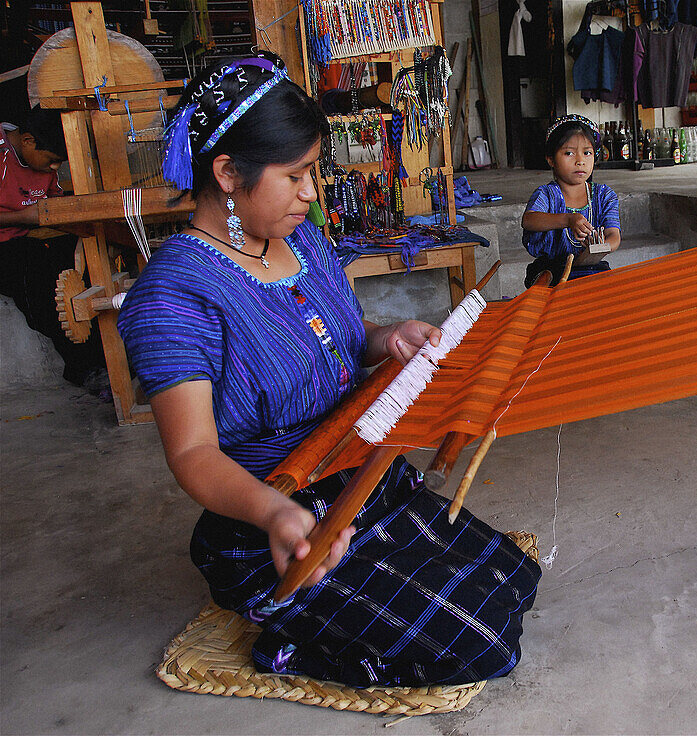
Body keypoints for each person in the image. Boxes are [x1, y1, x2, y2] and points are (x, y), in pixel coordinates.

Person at [117, 53, 540, 689]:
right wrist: (274, 515)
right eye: (296, 176)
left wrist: (388, 337)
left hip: (357, 474)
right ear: (229, 173)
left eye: (313, 172)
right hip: (278, 517)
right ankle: (282, 648)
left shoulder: (307, 243)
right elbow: (195, 452)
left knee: (513, 582)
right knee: (482, 645)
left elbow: (341, 342)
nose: (311, 193)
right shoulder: (176, 296)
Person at [0, 106, 106, 386]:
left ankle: (107, 359)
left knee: (84, 258)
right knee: (38, 277)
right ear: (27, 141)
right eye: (52, 161)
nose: (54, 168)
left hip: (36, 234)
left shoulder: (40, 161)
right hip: (6, 244)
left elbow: (52, 202)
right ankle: (84, 367)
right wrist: (23, 217)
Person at [521, 114, 621, 287]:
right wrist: (568, 219)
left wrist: (599, 247)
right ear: (551, 159)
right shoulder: (546, 194)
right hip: (551, 270)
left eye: (587, 153)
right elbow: (529, 220)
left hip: (590, 268)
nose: (580, 161)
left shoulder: (604, 195)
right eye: (569, 153)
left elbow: (614, 235)